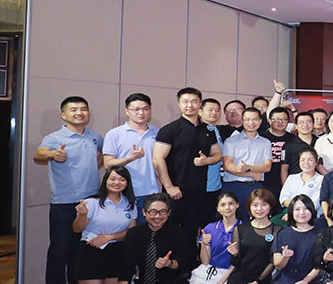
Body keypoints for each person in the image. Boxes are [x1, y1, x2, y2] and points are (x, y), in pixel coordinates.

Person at [36, 96, 105, 284]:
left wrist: (95, 165)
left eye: (83, 109)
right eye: (74, 109)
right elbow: (38, 155)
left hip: (91, 200)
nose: (79, 113)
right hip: (64, 202)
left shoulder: (94, 136)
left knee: (82, 247)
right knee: (60, 249)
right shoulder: (55, 137)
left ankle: (74, 283)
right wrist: (53, 154)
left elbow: (103, 154)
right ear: (63, 115)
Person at [153, 88, 222, 256]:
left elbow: (217, 155)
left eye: (193, 101)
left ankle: (188, 267)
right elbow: (158, 159)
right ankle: (167, 266)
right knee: (169, 232)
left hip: (199, 190)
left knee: (192, 232)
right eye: (185, 102)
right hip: (176, 190)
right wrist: (169, 187)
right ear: (179, 104)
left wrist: (207, 161)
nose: (189, 105)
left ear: (200, 104)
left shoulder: (208, 130)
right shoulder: (170, 129)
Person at [102, 93, 160, 219]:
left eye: (145, 109)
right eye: (136, 109)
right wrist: (130, 158)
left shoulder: (158, 133)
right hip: (123, 192)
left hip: (152, 192)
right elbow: (107, 164)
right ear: (127, 111)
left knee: (149, 230)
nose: (141, 113)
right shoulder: (115, 134)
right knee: (126, 229)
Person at [220, 108, 272, 219]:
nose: (251, 123)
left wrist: (248, 168)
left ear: (260, 122)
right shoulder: (231, 141)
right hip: (233, 186)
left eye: (255, 119)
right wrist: (252, 174)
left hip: (255, 187)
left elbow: (267, 167)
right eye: (247, 119)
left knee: (254, 220)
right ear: (242, 121)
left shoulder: (265, 142)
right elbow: (227, 166)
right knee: (231, 219)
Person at [262, 107, 299, 197]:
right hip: (264, 181)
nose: (280, 122)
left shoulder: (294, 139)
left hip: (286, 181)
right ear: (270, 121)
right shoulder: (261, 138)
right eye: (276, 119)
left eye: (284, 119)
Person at [279, 148, 324, 221]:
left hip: (312, 216)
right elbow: (283, 198)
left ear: (316, 162)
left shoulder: (322, 180)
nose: (306, 163)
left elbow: (315, 203)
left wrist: (297, 212)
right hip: (290, 213)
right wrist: (294, 211)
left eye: (310, 160)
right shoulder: (292, 178)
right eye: (302, 160)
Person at [282, 111, 317, 178]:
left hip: (317, 181)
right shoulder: (289, 144)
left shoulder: (319, 141)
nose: (305, 125)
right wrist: (285, 184)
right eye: (301, 122)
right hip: (295, 181)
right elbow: (284, 168)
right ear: (296, 126)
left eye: (308, 122)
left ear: (313, 124)